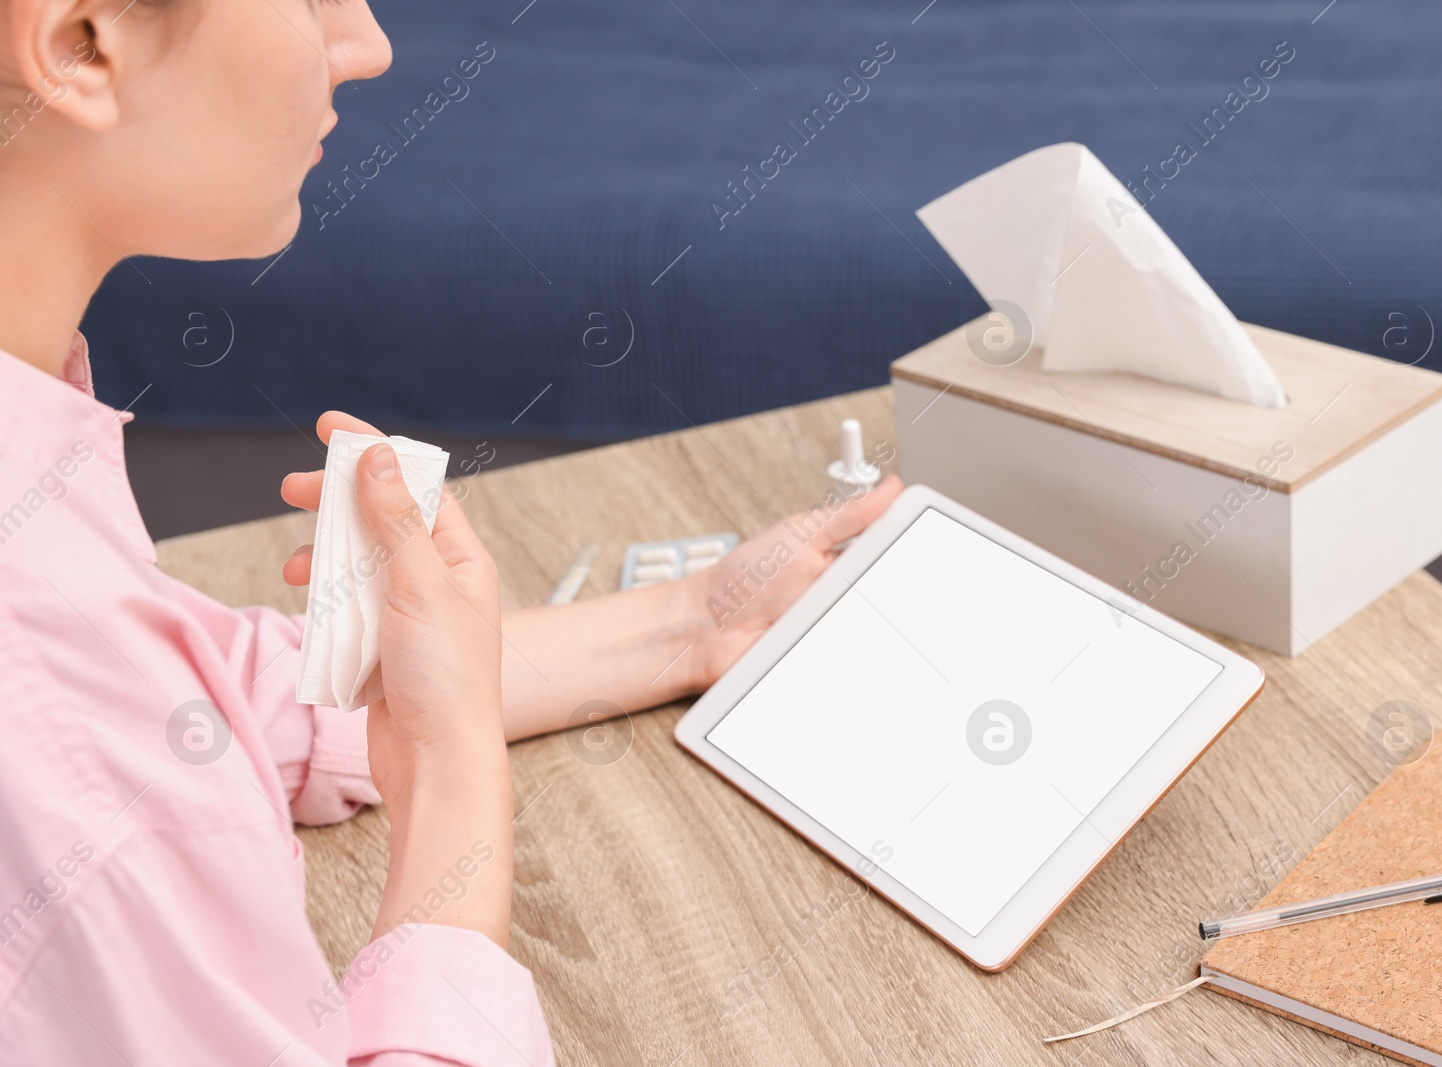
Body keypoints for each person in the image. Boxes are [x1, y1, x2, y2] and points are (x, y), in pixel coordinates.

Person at [0, 0, 901, 1062]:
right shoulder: (44, 666)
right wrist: (454, 782)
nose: (367, 45)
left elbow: (181, 712)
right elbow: (88, 746)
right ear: (81, 44)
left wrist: (693, 621)